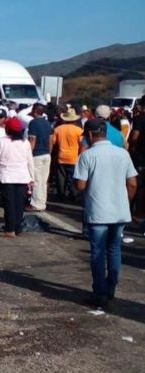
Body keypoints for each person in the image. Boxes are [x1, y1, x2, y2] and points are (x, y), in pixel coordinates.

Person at [74, 119, 138, 309]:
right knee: (114, 250)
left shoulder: (87, 156)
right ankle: (111, 289)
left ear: (91, 135)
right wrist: (125, 201)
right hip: (119, 212)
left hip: (98, 211)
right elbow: (133, 183)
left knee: (98, 253)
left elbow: (80, 185)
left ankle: (99, 292)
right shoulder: (123, 154)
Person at [0, 118, 35, 237]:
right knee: (19, 204)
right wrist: (32, 178)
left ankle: (10, 229)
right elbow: (30, 162)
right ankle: (17, 228)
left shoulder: (2, 142)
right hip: (22, 177)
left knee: (9, 204)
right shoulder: (25, 143)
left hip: (6, 177)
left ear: (7, 129)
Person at [27, 103, 54, 212]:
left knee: (37, 180)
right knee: (43, 180)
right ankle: (42, 202)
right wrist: (49, 152)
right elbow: (51, 140)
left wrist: (28, 154)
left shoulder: (33, 123)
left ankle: (36, 204)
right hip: (46, 154)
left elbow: (32, 140)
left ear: (34, 111)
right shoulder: (47, 123)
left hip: (36, 154)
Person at [53, 108, 83, 202]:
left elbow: (54, 143)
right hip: (74, 157)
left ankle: (61, 195)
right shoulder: (79, 130)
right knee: (73, 177)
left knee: (61, 177)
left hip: (61, 156)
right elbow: (82, 144)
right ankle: (73, 194)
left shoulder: (57, 129)